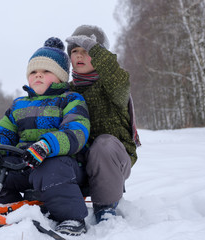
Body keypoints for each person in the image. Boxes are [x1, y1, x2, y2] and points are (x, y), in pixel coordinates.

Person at [0, 37, 90, 236]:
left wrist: (46, 146)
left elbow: (76, 131)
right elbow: (1, 135)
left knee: (50, 169)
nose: (38, 75)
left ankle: (71, 217)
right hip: (24, 163)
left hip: (63, 165)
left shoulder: (70, 99)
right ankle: (12, 208)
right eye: (33, 72)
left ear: (60, 76)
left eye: (46, 71)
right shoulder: (18, 105)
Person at [65, 25, 141, 223]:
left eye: (86, 51)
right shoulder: (68, 91)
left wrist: (96, 48)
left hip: (114, 159)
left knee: (103, 144)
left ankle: (105, 207)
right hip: (81, 160)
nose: (80, 55)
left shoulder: (113, 89)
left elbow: (118, 79)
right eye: (75, 51)